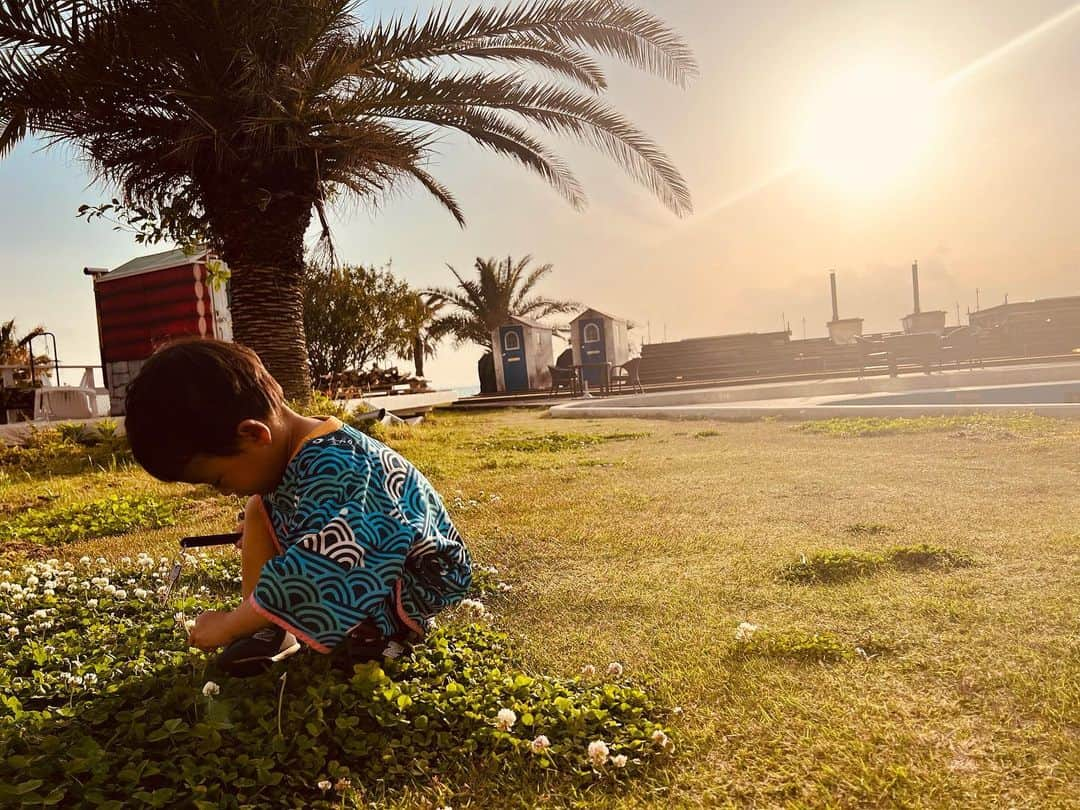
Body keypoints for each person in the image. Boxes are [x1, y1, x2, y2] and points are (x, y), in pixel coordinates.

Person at [124, 338, 472, 676]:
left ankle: (385, 633)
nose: (223, 492)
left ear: (254, 434)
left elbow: (321, 567)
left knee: (327, 570)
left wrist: (229, 625)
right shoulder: (296, 450)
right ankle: (269, 630)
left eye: (218, 480)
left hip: (415, 574)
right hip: (367, 555)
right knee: (257, 508)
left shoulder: (337, 467)